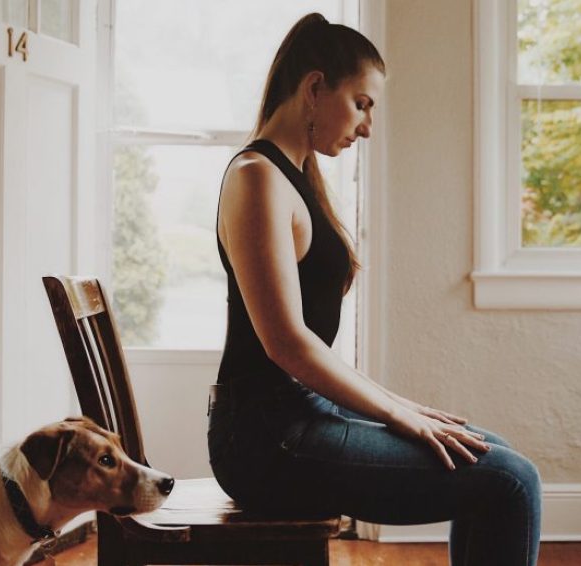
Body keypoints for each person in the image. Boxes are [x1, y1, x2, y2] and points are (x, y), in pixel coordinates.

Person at [208, 13, 541, 566]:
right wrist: (396, 415)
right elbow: (287, 344)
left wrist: (403, 405)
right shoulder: (256, 177)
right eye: (362, 103)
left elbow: (306, 346)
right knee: (510, 481)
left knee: (494, 455)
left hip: (295, 414)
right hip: (265, 438)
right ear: (315, 87)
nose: (367, 126)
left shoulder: (294, 175)